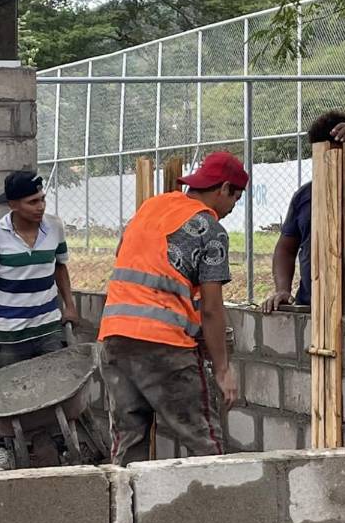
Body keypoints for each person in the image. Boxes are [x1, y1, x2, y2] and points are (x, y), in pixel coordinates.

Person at [98, 151, 245, 466]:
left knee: (128, 442)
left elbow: (138, 262)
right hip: (163, 345)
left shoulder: (151, 207)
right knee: (204, 441)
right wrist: (222, 370)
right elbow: (211, 308)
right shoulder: (210, 228)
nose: (234, 206)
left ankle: (125, 512)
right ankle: (218, 510)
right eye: (236, 196)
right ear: (224, 188)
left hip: (114, 337)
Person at [0, 170, 79, 470]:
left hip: (48, 327)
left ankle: (60, 447)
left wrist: (69, 305)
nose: (41, 207)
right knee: (6, 396)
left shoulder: (54, 228)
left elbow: (61, 269)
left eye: (42, 199)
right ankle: (3, 449)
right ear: (13, 205)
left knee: (56, 390)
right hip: (10, 333)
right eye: (32, 202)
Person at [262, 111, 345, 317]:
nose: (334, 162)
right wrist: (282, 289)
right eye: (325, 155)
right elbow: (285, 249)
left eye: (343, 152)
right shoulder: (305, 195)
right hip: (312, 305)